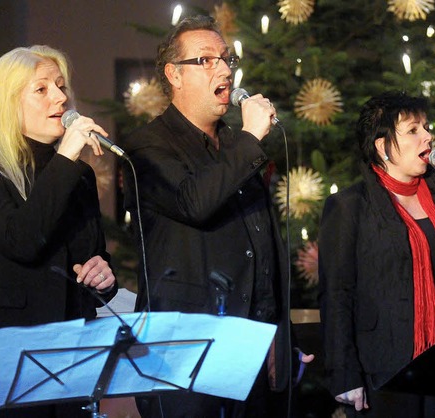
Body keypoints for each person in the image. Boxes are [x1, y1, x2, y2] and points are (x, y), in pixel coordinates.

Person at [121, 15, 303, 418]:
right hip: (182, 355)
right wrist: (252, 138)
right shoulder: (147, 146)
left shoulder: (238, 147)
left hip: (252, 348)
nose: (223, 68)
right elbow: (193, 203)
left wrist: (276, 332)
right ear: (174, 75)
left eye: (225, 58)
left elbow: (265, 243)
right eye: (205, 60)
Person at [0, 45, 118, 417]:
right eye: (42, 89)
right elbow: (24, 242)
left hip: (74, 355)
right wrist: (66, 158)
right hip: (11, 357)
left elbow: (94, 258)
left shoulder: (78, 176)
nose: (60, 97)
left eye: (60, 86)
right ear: (7, 104)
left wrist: (104, 276)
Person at [317, 91, 435, 417]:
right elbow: (336, 294)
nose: (428, 136)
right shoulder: (350, 207)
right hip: (386, 367)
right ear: (382, 145)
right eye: (413, 129)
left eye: (426, 127)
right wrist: (344, 374)